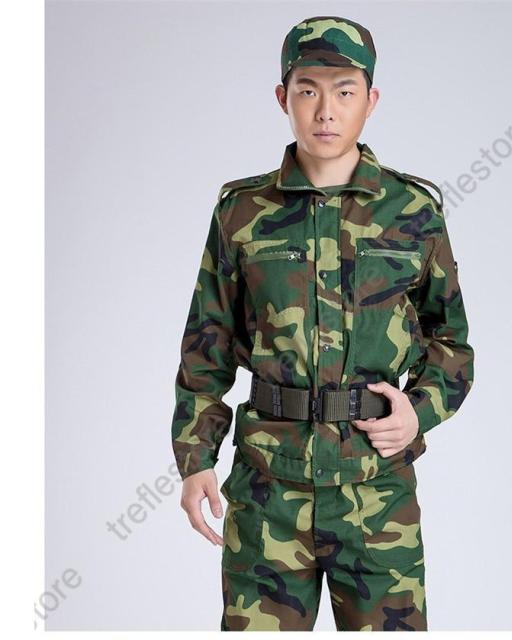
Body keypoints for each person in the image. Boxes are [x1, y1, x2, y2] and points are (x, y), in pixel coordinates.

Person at [170, 15, 475, 631]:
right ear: (282, 98)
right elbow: (207, 344)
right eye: (307, 90)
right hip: (267, 491)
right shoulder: (242, 213)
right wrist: (195, 457)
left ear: (371, 100)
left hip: (376, 491)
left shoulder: (413, 212)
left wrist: (419, 412)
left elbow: (451, 344)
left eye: (344, 91)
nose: (326, 111)